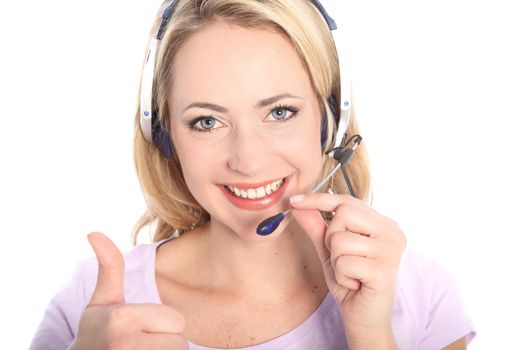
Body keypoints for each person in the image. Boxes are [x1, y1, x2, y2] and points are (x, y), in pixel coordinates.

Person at [30, 0, 476, 349]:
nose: (247, 160)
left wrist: (371, 335)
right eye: (207, 121)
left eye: (280, 112)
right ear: (164, 136)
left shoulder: (419, 293)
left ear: (331, 121)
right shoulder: (94, 308)